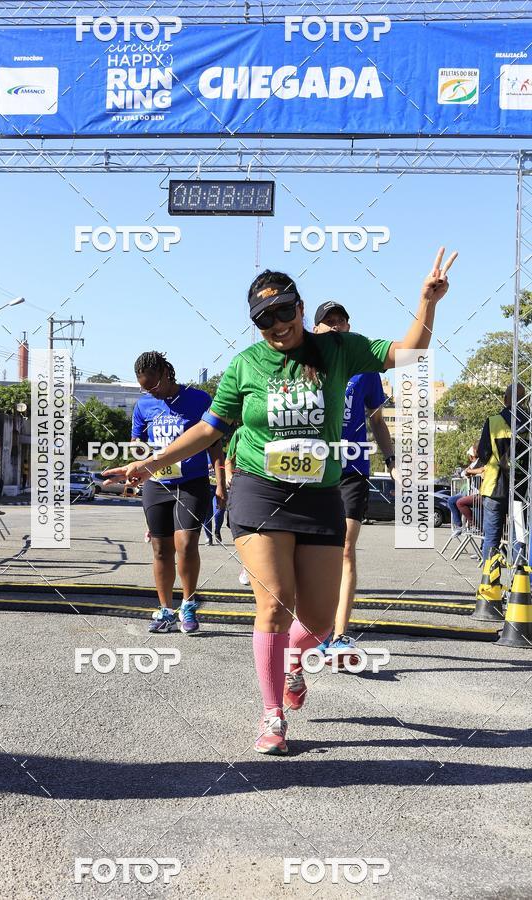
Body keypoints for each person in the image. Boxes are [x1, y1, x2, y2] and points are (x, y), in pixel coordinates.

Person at [109, 248, 457, 754]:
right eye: (263, 319)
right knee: (274, 604)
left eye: (284, 311)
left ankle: (295, 660)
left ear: (300, 306)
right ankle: (272, 714)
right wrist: (149, 464)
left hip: (320, 494)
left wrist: (427, 303)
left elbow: (408, 353)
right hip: (258, 488)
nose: (276, 325)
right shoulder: (246, 365)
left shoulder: (337, 349)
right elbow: (209, 429)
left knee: (315, 621)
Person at [108, 351, 226, 634]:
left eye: (153, 385)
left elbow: (214, 446)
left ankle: (188, 604)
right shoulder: (144, 406)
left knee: (185, 544)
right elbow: (138, 447)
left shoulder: (199, 400)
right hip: (156, 484)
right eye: (144, 388)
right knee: (160, 549)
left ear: (166, 373)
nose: (151, 392)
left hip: (192, 482)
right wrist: (132, 476)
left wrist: (220, 484)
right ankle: (165, 610)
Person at [312, 301, 396, 661]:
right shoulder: (303, 362)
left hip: (352, 468)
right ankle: (315, 628)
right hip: (312, 469)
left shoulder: (364, 369)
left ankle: (341, 634)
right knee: (311, 554)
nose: (334, 327)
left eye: (340, 321)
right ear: (314, 329)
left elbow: (377, 421)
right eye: (327, 323)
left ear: (349, 326)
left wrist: (392, 459)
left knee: (346, 549)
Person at [477, 383, 526, 562]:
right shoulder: (528, 425)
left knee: (491, 540)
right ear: (525, 400)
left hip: (494, 488)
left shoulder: (493, 422)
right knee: (518, 539)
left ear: (505, 399)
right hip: (521, 490)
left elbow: (483, 454)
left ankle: (489, 583)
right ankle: (519, 585)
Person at [225, 426, 251, 586]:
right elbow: (229, 458)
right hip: (244, 485)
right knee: (241, 528)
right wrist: (228, 476)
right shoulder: (241, 432)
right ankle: (247, 565)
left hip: (270, 486)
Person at [203, 464, 225, 546]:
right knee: (207, 514)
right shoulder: (202, 453)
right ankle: (208, 537)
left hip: (220, 487)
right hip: (207, 487)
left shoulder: (223, 454)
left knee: (219, 512)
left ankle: (217, 530)